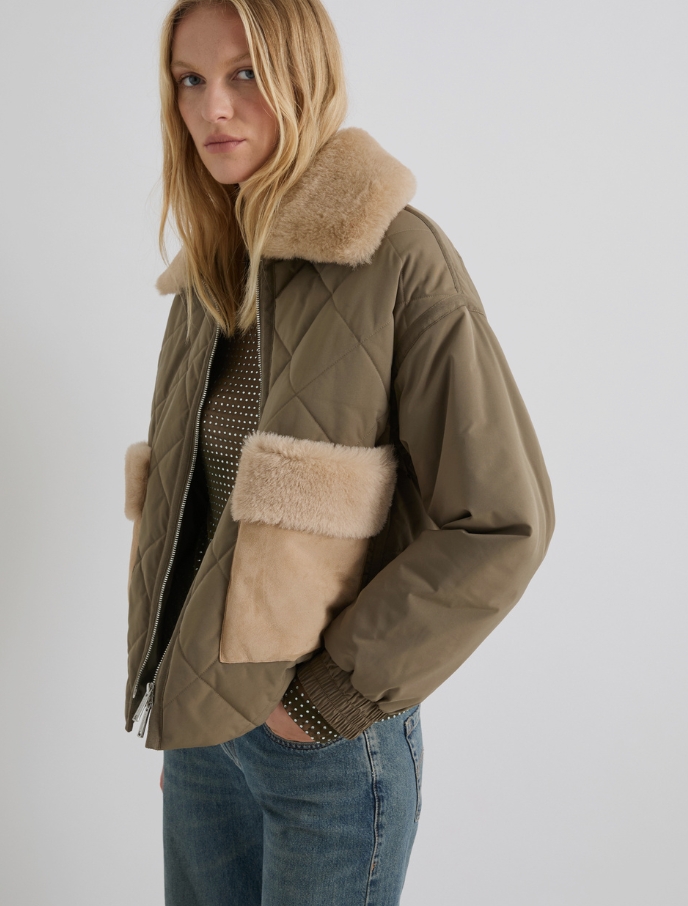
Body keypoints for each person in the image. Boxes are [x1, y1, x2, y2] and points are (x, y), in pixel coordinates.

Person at [123, 0, 555, 903]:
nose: (213, 108)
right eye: (190, 81)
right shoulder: (208, 278)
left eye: (245, 74)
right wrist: (187, 703)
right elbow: (198, 513)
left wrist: (323, 702)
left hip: (326, 745)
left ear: (304, 76)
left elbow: (501, 523)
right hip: (205, 741)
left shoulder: (397, 257)